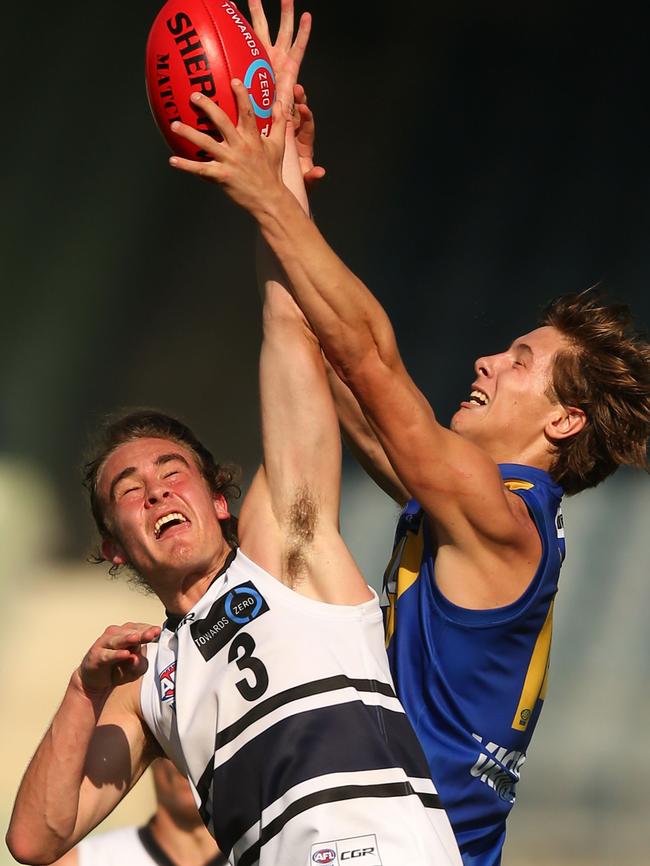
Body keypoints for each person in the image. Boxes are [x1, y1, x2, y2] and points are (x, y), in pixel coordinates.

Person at [154, 26, 650, 866]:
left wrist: (267, 200)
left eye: (522, 361)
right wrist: (280, 181)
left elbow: (371, 359)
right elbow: (333, 375)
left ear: (563, 422)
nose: (490, 361)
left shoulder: (497, 516)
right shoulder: (469, 509)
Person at [5, 5, 461, 866]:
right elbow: (34, 840)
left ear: (220, 496)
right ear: (113, 548)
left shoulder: (289, 551)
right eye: (128, 492)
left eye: (170, 471)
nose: (153, 491)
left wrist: (275, 172)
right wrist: (80, 692)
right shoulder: (151, 688)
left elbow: (290, 332)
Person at [51, 758, 229, 866]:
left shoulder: (255, 857)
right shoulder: (84, 861)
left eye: (200, 744)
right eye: (176, 746)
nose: (188, 763)